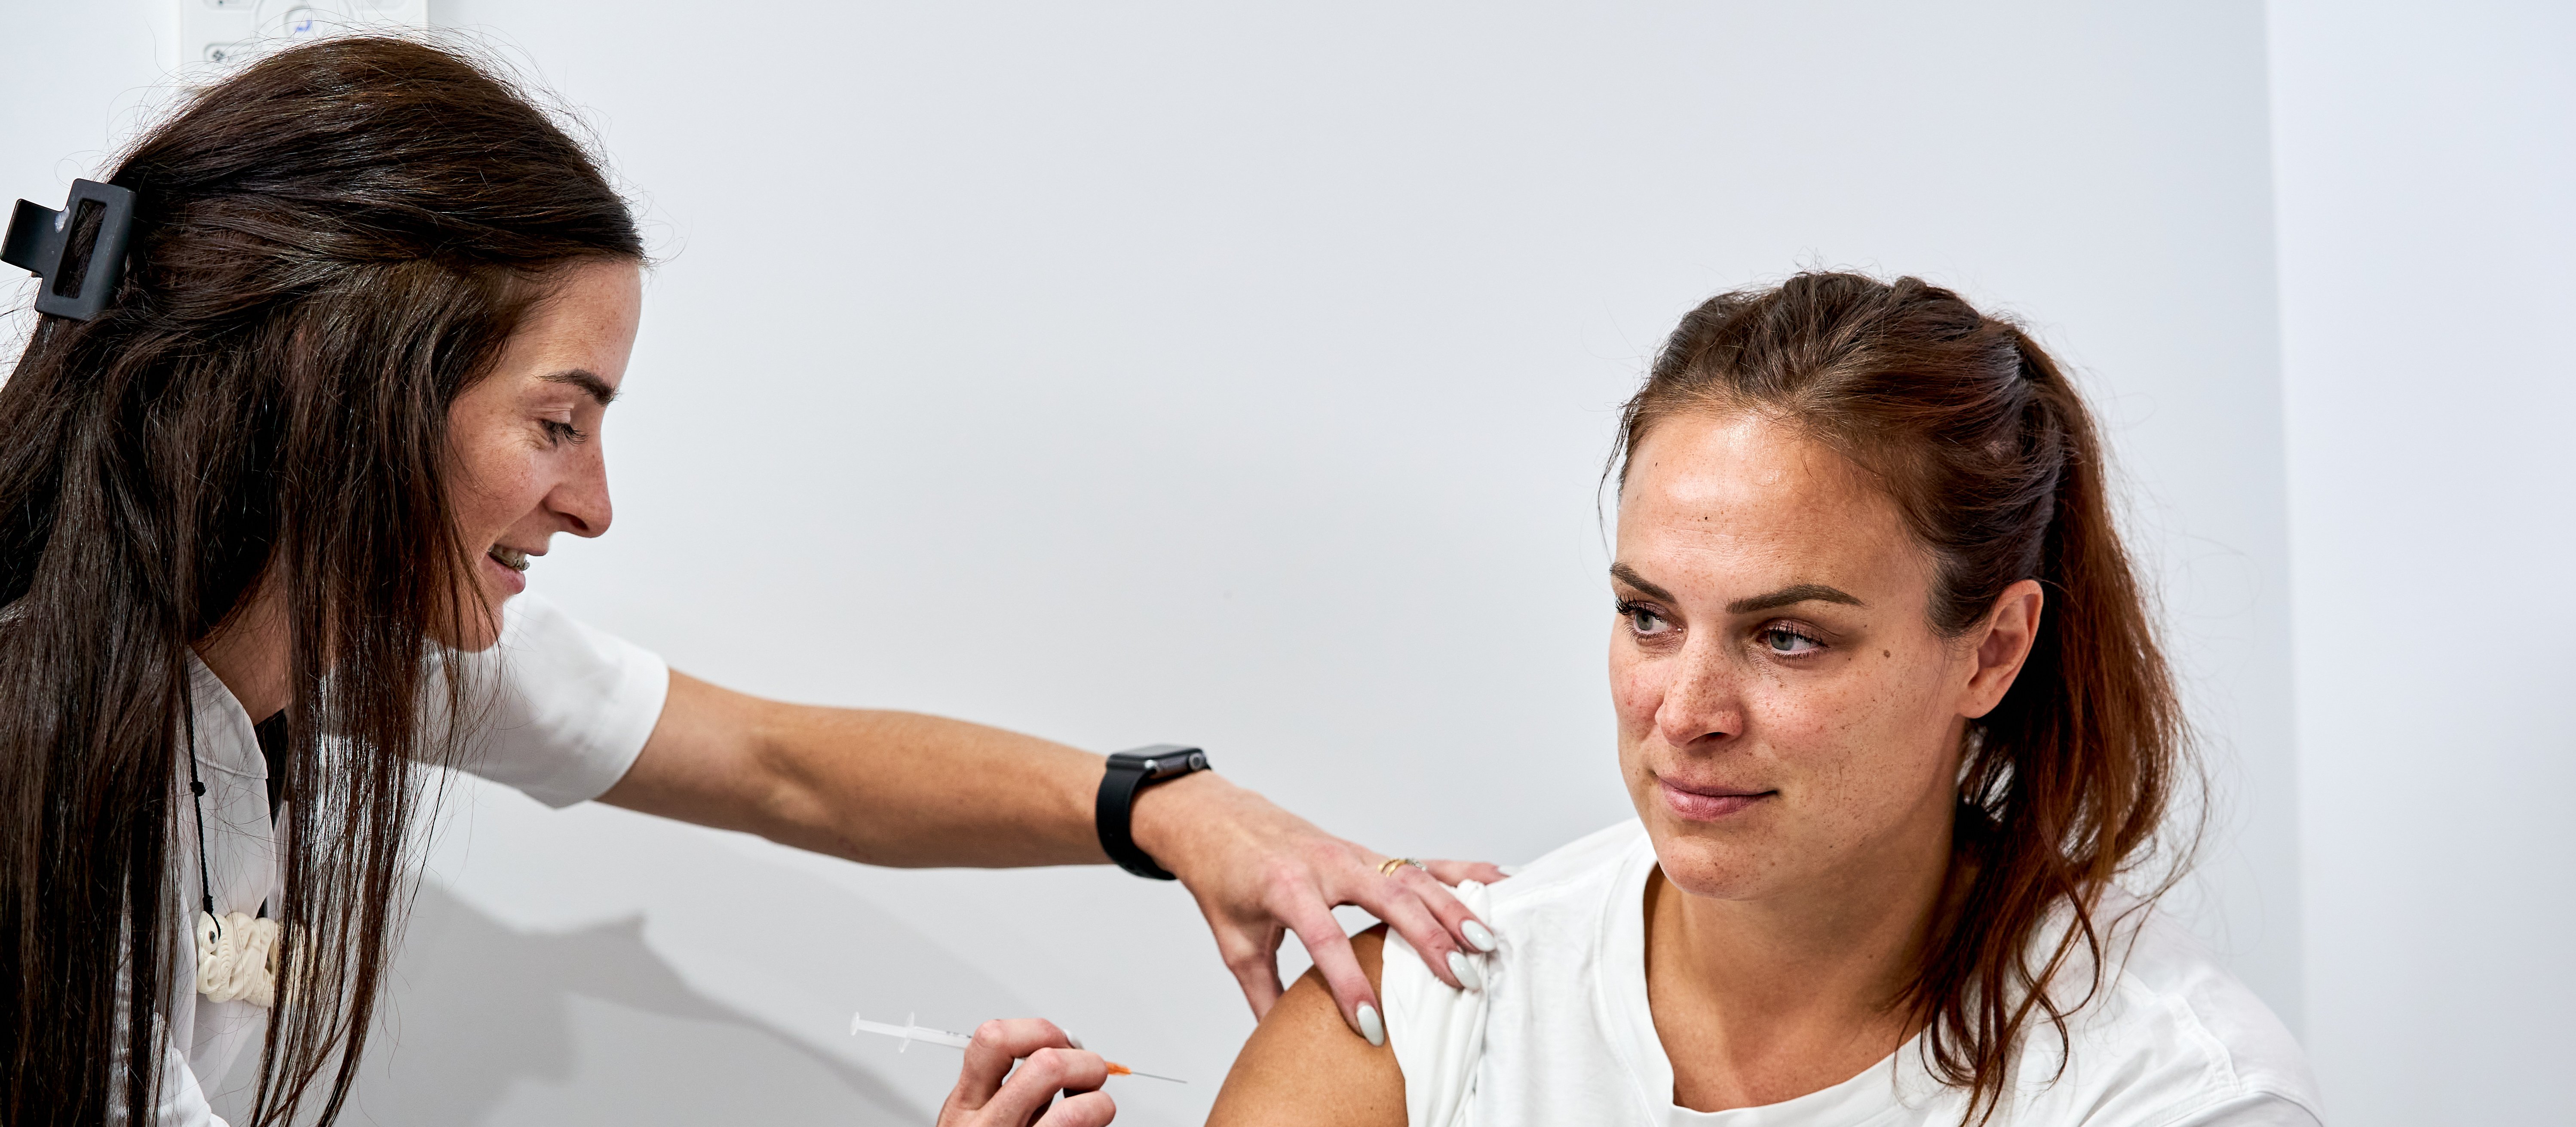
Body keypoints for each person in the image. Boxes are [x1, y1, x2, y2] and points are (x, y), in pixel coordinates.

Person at [0, 38, 1499, 1126]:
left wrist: (1177, 809)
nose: (591, 504)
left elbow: (781, 768)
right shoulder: (38, 765)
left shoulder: (320, 638)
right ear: (350, 390)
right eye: (558, 421)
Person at [1209, 273, 2324, 1125]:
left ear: (1991, 652)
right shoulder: (1424, 1014)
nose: (1686, 712)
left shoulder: (2171, 1087)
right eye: (1648, 615)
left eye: (1787, 638)